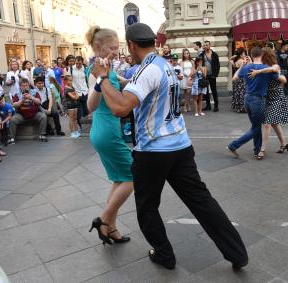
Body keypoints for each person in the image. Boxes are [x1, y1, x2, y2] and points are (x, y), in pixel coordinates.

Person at [91, 22, 248, 271]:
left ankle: (164, 254)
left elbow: (121, 108)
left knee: (147, 208)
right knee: (202, 201)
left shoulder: (146, 71)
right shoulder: (164, 65)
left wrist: (102, 78)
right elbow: (137, 81)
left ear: (131, 45)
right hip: (181, 147)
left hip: (153, 152)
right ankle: (237, 253)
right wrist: (115, 78)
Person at [85, 26, 133, 245]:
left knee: (119, 179)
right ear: (98, 47)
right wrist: (99, 79)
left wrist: (132, 81)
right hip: (106, 130)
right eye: (111, 48)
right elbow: (90, 105)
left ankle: (110, 229)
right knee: (134, 176)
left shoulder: (108, 66)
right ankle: (103, 220)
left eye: (117, 47)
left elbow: (118, 80)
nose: (116, 51)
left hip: (107, 130)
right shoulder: (95, 68)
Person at [227, 46, 281, 159]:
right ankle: (233, 145)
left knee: (255, 126)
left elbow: (234, 78)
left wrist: (242, 65)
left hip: (247, 99)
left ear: (251, 55)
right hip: (258, 100)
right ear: (262, 55)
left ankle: (257, 150)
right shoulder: (266, 68)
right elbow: (279, 77)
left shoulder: (246, 67)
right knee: (256, 128)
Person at [248, 48, 288, 160]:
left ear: (266, 55)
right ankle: (284, 144)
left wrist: (259, 72)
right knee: (274, 123)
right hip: (267, 96)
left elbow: (278, 75)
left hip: (275, 96)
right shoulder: (262, 65)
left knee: (267, 123)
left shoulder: (275, 66)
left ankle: (262, 149)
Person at [11, 78, 48, 142]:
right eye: (23, 85)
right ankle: (11, 138)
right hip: (21, 115)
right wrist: (22, 100)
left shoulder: (34, 92)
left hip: (34, 114)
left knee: (43, 116)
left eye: (26, 85)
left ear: (28, 85)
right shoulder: (17, 94)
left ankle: (42, 135)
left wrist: (31, 97)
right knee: (13, 119)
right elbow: (14, 105)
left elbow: (39, 102)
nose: (25, 87)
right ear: (20, 86)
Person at [201, 41, 220, 112]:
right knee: (206, 91)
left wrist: (216, 74)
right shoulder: (202, 54)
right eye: (204, 45)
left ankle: (216, 105)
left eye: (207, 45)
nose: (205, 46)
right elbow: (200, 63)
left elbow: (218, 65)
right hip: (205, 75)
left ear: (210, 46)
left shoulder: (214, 54)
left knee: (214, 90)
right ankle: (208, 105)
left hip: (212, 75)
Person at [72, 56, 89, 132]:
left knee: (86, 109)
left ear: (82, 62)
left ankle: (86, 126)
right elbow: (68, 79)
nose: (78, 65)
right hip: (76, 92)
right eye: (76, 63)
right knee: (79, 111)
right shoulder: (71, 68)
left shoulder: (85, 68)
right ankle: (80, 126)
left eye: (79, 63)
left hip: (85, 91)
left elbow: (88, 78)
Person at [230, 48, 247, 113]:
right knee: (242, 93)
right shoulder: (241, 61)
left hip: (237, 77)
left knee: (238, 92)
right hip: (241, 78)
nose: (245, 55)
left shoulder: (237, 60)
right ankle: (243, 107)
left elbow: (231, 59)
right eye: (243, 54)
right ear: (240, 55)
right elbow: (246, 68)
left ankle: (238, 107)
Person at [180, 48, 194, 113]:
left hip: (190, 78)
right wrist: (187, 76)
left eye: (187, 53)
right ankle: (186, 105)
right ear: (183, 55)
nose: (186, 55)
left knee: (189, 92)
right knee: (186, 93)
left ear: (189, 54)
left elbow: (193, 69)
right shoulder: (182, 62)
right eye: (185, 53)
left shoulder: (192, 61)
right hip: (185, 78)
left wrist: (190, 76)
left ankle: (187, 104)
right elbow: (181, 70)